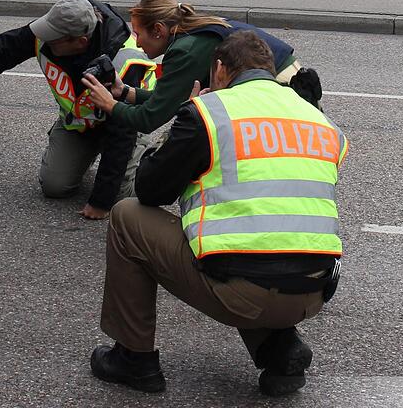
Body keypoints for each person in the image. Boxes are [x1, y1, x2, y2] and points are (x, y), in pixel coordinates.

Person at [89, 31, 346, 396]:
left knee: (127, 217)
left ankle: (133, 358)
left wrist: (184, 121)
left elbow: (150, 189)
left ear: (221, 69)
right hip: (314, 290)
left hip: (244, 293)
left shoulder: (209, 113)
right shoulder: (320, 122)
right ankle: (279, 347)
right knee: (259, 237)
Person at [0, 0, 155, 219]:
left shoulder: (123, 62)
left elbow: (121, 134)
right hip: (79, 124)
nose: (43, 40)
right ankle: (87, 154)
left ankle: (151, 156)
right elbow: (4, 47)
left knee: (120, 201)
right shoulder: (54, 30)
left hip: (126, 126)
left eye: (52, 39)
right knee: (55, 186)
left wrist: (101, 202)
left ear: (80, 41)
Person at [81, 0, 321, 137]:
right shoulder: (193, 30)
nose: (136, 41)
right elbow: (169, 100)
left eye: (137, 33)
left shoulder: (185, 51)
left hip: (282, 95)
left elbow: (149, 119)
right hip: (290, 86)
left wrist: (110, 104)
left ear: (158, 30)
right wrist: (126, 93)